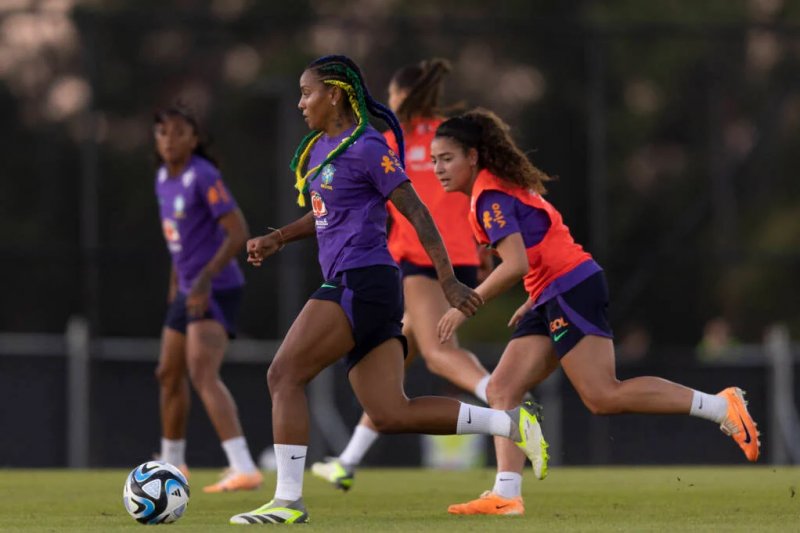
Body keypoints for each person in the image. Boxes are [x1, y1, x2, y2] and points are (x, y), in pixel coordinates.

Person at [229, 55, 547, 525]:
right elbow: (326, 213)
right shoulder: (319, 149)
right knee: (390, 412)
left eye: (307, 93)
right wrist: (279, 237)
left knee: (283, 374)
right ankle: (512, 422)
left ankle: (288, 501)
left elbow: (417, 210)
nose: (300, 103)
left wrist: (447, 280)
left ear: (334, 94)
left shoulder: (368, 146)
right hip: (365, 285)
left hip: (361, 280)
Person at [431, 109, 761, 516]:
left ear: (473, 157)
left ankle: (721, 406)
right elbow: (544, 242)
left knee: (603, 395)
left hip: (569, 289)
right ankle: (507, 495)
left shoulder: (490, 196)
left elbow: (515, 263)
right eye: (434, 160)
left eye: (447, 158)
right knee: (502, 389)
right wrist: (533, 296)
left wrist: (464, 307)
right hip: (550, 292)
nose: (438, 168)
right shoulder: (495, 189)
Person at [310, 58, 498, 492]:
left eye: (392, 95)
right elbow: (475, 190)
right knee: (398, 359)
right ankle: (347, 461)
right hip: (462, 256)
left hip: (420, 259)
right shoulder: (450, 138)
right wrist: (485, 244)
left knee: (436, 351)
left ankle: (502, 397)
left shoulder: (392, 141)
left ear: (402, 96)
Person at [153, 106, 263, 493]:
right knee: (168, 373)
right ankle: (172, 463)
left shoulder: (203, 175)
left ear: (194, 139)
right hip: (188, 288)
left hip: (216, 286)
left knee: (202, 372)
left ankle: (244, 468)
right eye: (162, 132)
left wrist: (203, 281)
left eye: (178, 132)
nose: (169, 139)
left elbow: (238, 231)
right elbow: (179, 241)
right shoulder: (162, 178)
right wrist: (178, 284)